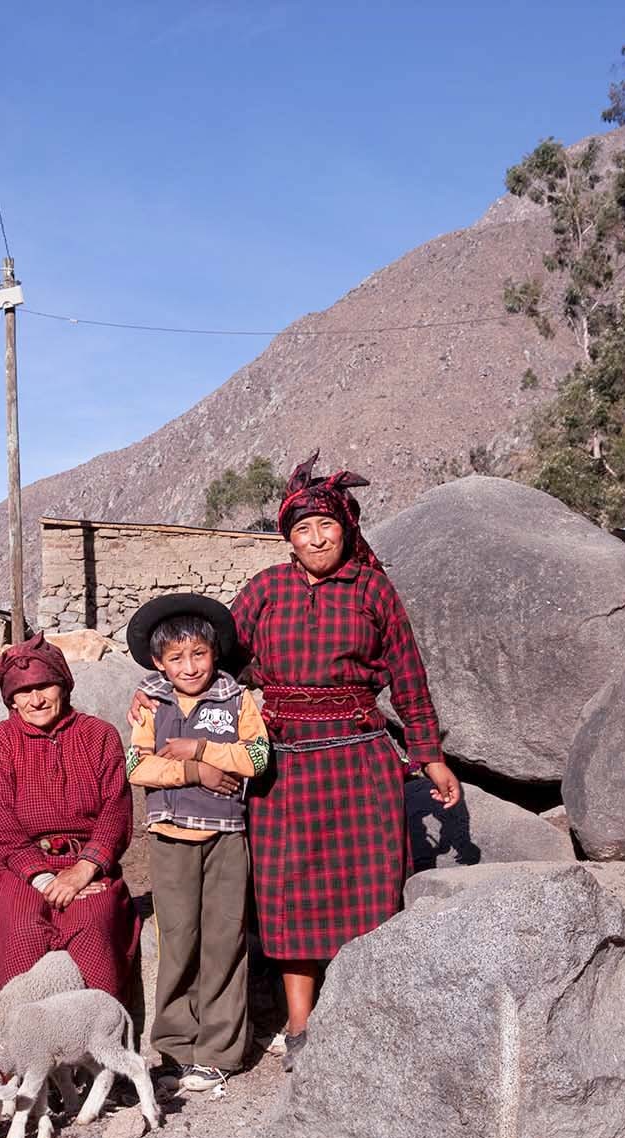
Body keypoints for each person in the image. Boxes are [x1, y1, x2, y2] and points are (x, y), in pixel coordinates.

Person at [215, 453, 458, 1071]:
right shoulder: (266, 590)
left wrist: (429, 757)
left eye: (326, 526)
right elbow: (212, 659)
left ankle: (365, 1014)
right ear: (287, 537)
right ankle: (300, 1027)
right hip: (283, 764)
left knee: (369, 889)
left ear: (346, 529)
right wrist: (164, 694)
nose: (315, 538)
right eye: (302, 529)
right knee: (287, 892)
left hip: (360, 759)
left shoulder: (374, 589)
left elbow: (408, 678)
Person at [124, 594, 269, 1092]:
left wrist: (203, 747)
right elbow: (138, 765)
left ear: (214, 652)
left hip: (227, 838)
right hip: (169, 839)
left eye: (199, 654)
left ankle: (218, 1051)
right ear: (159, 663)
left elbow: (258, 757)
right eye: (176, 658)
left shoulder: (237, 699)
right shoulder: (150, 702)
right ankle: (174, 1045)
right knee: (178, 940)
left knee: (225, 940)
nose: (190, 666)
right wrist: (197, 771)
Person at [0, 633, 139, 997]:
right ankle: (29, 1043)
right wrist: (44, 880)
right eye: (23, 691)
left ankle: (94, 1042)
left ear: (63, 685)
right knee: (21, 928)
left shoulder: (100, 735)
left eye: (45, 686)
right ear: (11, 700)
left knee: (91, 925)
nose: (36, 699)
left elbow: (116, 811)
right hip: (22, 869)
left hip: (88, 866)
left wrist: (84, 870)